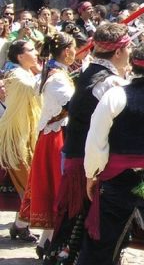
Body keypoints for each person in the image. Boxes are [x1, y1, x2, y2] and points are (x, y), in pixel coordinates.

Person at [79, 42, 144, 264]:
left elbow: (96, 140)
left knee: (102, 241)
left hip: (117, 179)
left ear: (131, 65)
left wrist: (92, 174)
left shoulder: (115, 96)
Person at [48, 23, 131, 264]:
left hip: (79, 155)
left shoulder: (90, 71)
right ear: (117, 52)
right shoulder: (110, 83)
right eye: (128, 47)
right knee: (89, 225)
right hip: (91, 164)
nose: (130, 51)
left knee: (75, 223)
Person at [27, 33, 76, 259]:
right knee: (59, 188)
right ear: (67, 51)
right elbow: (72, 105)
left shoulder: (56, 73)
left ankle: (47, 241)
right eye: (74, 48)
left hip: (57, 134)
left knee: (59, 187)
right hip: (57, 136)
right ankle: (50, 241)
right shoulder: (57, 78)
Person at [0, 39, 42, 242]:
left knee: (28, 185)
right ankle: (20, 225)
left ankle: (20, 225)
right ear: (19, 56)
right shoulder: (18, 77)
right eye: (31, 50)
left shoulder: (26, 74)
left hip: (24, 137)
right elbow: (35, 90)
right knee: (29, 184)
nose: (36, 53)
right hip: (14, 139)